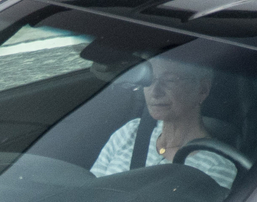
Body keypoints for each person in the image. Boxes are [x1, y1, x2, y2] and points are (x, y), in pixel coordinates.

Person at [91, 57, 243, 189]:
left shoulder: (216, 167)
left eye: (170, 80)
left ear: (202, 90)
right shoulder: (131, 131)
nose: (155, 92)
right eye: (149, 80)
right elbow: (89, 192)